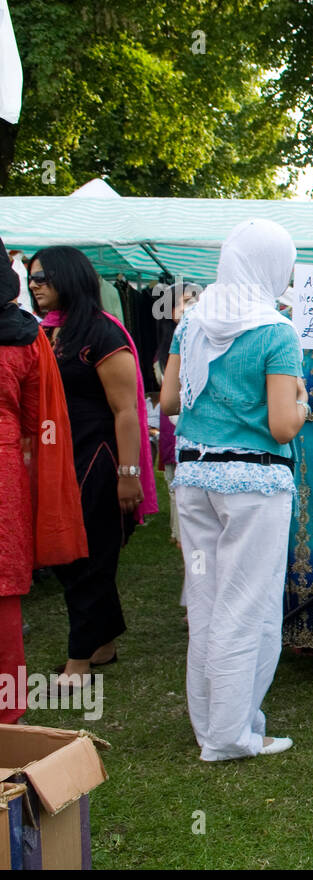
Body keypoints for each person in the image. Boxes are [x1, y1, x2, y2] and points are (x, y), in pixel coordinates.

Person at [159, 218, 307, 761]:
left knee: (206, 602)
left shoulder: (193, 323)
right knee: (247, 606)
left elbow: (170, 402)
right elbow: (282, 426)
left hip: (195, 476)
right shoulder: (276, 331)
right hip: (254, 483)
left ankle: (212, 724)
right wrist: (303, 401)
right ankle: (230, 734)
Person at [29, 246, 156, 688]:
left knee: (89, 555)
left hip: (98, 458)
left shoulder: (103, 333)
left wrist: (128, 475)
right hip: (55, 457)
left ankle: (79, 661)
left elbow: (125, 410)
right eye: (31, 277)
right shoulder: (42, 333)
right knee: (67, 555)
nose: (34, 284)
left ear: (70, 277)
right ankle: (103, 642)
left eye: (43, 276)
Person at [0, 238, 85, 722]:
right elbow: (40, 421)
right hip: (5, 471)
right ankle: (7, 718)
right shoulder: (25, 337)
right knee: (3, 592)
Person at [154, 282, 202, 546]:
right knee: (177, 485)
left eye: (195, 300)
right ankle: (181, 535)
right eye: (185, 301)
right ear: (171, 311)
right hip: (177, 424)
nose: (192, 307)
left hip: (197, 426)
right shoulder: (167, 353)